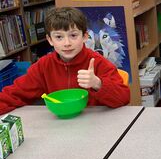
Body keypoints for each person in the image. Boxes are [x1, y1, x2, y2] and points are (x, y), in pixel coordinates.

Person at [0, 7, 130, 114]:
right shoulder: (43, 66)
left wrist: (98, 83)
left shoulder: (98, 62)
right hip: (59, 126)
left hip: (95, 126)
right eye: (59, 37)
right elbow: (14, 94)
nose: (67, 43)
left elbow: (124, 97)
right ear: (50, 40)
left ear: (85, 36)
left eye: (73, 35)